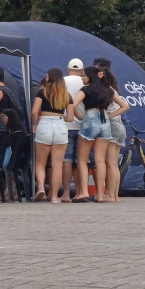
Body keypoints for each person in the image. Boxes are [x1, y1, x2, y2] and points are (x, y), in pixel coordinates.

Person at [71, 66, 128, 203]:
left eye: (84, 76)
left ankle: (84, 192)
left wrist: (79, 116)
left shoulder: (85, 90)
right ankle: (101, 194)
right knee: (100, 160)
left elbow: (73, 105)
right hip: (105, 122)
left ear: (90, 77)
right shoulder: (108, 89)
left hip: (90, 119)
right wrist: (111, 115)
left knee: (82, 159)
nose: (82, 78)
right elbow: (125, 106)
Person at [31, 68, 75, 203]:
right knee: (57, 165)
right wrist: (61, 118)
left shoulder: (41, 92)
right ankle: (55, 196)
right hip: (60, 126)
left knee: (40, 163)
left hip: (44, 124)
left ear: (49, 78)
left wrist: (34, 124)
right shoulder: (66, 95)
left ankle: (41, 188)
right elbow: (71, 117)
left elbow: (34, 112)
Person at [94, 58, 130, 203]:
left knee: (109, 162)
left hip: (112, 125)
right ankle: (114, 195)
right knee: (114, 163)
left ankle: (109, 194)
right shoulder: (114, 89)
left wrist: (110, 116)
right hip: (120, 127)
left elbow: (125, 106)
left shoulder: (106, 90)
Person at [61, 58, 85, 202]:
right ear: (82, 70)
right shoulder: (85, 82)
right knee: (81, 161)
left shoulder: (62, 81)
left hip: (66, 124)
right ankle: (81, 191)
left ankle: (66, 193)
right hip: (82, 124)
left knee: (67, 160)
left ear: (68, 68)